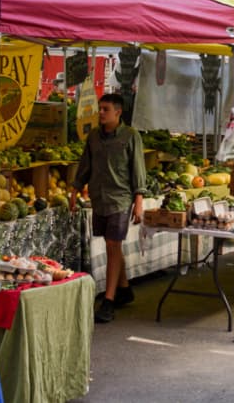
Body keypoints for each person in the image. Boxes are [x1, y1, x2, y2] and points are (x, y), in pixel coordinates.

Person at [72, 93, 146, 324]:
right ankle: (124, 289)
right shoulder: (93, 137)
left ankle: (109, 300)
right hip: (99, 198)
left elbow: (138, 169)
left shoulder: (130, 136)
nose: (100, 113)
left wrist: (139, 200)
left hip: (120, 199)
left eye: (105, 109)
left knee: (113, 244)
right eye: (99, 109)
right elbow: (86, 165)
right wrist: (74, 190)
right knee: (110, 243)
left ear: (118, 112)